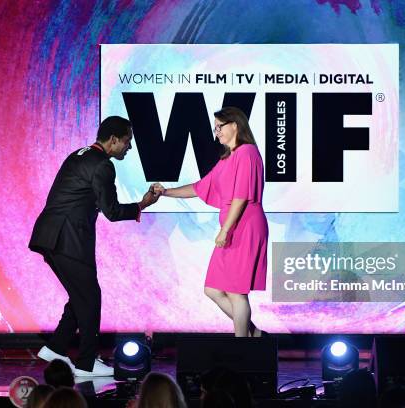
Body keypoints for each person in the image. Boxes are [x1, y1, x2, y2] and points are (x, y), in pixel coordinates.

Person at [30, 116, 160, 376]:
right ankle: (86, 365)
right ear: (113, 140)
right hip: (68, 239)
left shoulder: (80, 154)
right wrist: (142, 204)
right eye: (127, 141)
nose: (129, 147)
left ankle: (56, 347)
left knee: (81, 296)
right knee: (90, 298)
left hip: (50, 235)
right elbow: (110, 211)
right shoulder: (102, 165)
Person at [152, 107, 268, 337]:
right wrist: (165, 192)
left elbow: (241, 197)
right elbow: (200, 187)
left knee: (237, 292)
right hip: (232, 227)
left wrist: (225, 230)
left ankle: (243, 346)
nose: (217, 133)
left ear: (235, 124)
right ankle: (252, 333)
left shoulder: (247, 153)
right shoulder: (228, 158)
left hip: (244, 227)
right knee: (213, 289)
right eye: (215, 128)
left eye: (220, 127)